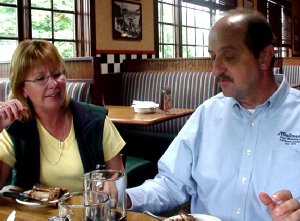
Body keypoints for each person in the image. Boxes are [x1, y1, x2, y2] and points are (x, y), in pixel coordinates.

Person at [126, 8, 300, 220]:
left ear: (264, 57)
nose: (216, 69)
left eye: (229, 56)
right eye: (213, 57)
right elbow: (171, 183)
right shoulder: (207, 114)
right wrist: (124, 198)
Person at [0, 40, 125, 192]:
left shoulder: (97, 121)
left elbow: (119, 178)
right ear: (23, 89)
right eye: (40, 78)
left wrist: (113, 186)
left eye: (57, 74)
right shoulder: (14, 128)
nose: (53, 84)